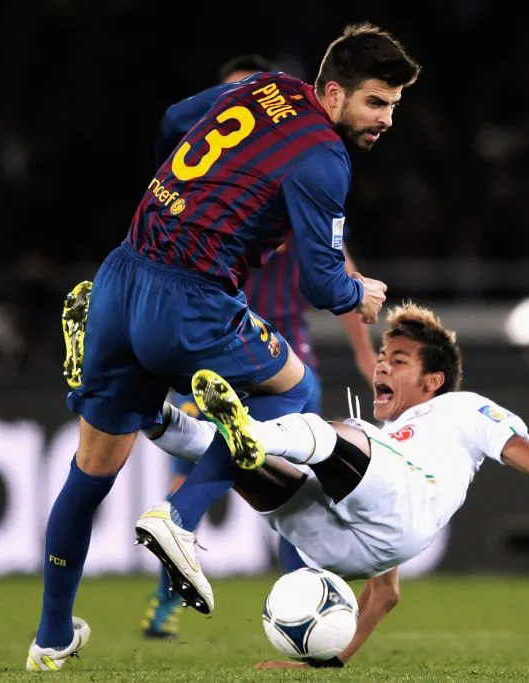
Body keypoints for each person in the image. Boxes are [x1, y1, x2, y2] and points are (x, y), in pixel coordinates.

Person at [26, 23, 420, 671]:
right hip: (191, 296)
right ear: (330, 92)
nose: (386, 119)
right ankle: (179, 515)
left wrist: (185, 199)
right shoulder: (325, 157)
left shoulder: (265, 88)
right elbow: (322, 282)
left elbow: (173, 119)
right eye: (375, 102)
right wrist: (361, 292)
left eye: (394, 107)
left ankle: (50, 637)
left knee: (90, 472)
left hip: (123, 274)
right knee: (296, 391)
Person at [136, 302, 529, 669]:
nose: (381, 368)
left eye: (398, 360)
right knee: (230, 454)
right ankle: (142, 409)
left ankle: (249, 432)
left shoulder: (462, 408)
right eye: (382, 358)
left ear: (432, 381)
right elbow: (385, 593)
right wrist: (327, 664)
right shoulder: (394, 440)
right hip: (346, 545)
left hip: (404, 508)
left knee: (332, 434)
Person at [140, 53, 378, 640]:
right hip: (214, 331)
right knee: (208, 461)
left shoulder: (288, 173)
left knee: (278, 473)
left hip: (269, 340)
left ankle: (293, 596)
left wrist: (368, 354)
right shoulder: (228, 183)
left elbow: (335, 269)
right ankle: (168, 595)